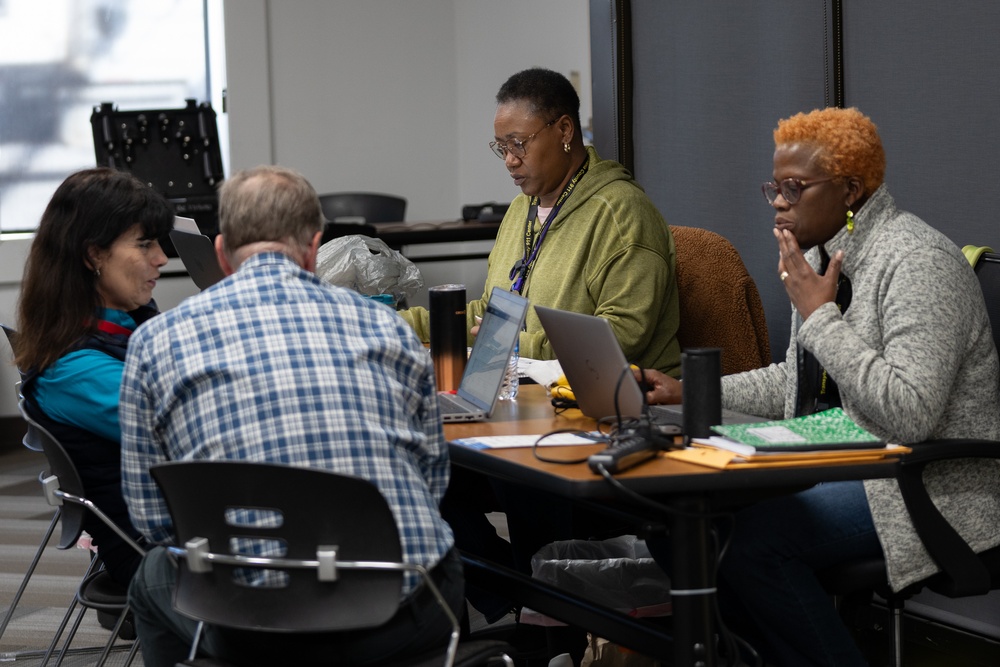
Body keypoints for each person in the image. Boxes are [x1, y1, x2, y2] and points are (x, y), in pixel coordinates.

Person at [640, 107, 1000, 666]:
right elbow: (795, 382)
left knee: (754, 546)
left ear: (851, 190)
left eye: (794, 188)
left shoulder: (919, 262)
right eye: (774, 188)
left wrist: (820, 316)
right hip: (843, 458)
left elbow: (911, 413)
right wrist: (689, 391)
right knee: (680, 528)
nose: (779, 202)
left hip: (927, 483)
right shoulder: (821, 256)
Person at [119, 165, 461, 667]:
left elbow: (152, 516)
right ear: (313, 247)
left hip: (250, 629)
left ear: (221, 253)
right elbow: (433, 481)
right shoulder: (386, 327)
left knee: (151, 576)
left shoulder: (155, 341)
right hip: (400, 614)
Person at [401, 67, 681, 376]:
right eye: (502, 147)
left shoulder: (622, 212)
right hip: (526, 386)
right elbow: (490, 317)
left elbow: (622, 337)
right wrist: (395, 323)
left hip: (620, 400)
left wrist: (512, 345)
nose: (509, 160)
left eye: (518, 143)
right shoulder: (522, 209)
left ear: (564, 130)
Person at [15, 167, 173, 587]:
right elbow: (189, 435)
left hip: (179, 530)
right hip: (154, 555)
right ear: (93, 256)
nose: (161, 258)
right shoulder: (72, 370)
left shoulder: (125, 324)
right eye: (145, 244)